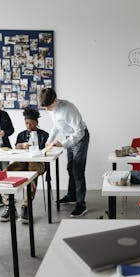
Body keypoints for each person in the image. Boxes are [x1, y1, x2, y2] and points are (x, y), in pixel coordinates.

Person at [39, 88, 90, 218]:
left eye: (48, 107)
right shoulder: (52, 109)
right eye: (45, 108)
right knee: (70, 168)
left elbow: (79, 132)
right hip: (68, 137)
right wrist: (49, 141)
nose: (47, 110)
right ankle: (71, 196)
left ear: (55, 100)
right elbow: (56, 126)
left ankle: (81, 204)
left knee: (77, 169)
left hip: (80, 138)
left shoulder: (69, 109)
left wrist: (63, 144)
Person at [0, 108, 49, 223]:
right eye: (26, 123)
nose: (28, 126)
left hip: (37, 163)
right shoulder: (21, 135)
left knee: (32, 174)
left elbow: (47, 150)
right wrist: (21, 145)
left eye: (31, 123)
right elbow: (15, 148)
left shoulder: (44, 135)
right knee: (7, 172)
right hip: (21, 161)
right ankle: (9, 205)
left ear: (37, 122)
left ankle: (26, 206)